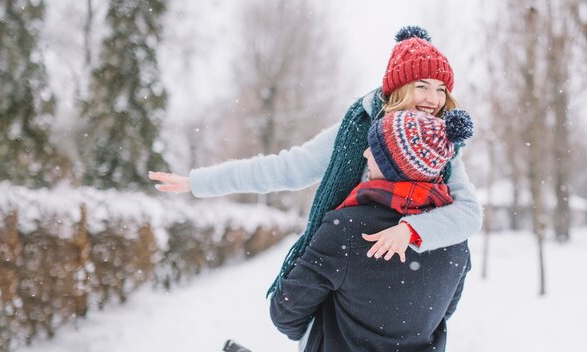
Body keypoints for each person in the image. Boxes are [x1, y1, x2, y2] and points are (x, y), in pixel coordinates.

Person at [148, 25, 481, 295]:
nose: (433, 99)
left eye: (441, 89)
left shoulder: (445, 147)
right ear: (398, 88)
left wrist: (411, 230)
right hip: (347, 270)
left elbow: (468, 214)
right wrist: (198, 182)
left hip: (413, 284)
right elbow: (286, 169)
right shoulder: (357, 129)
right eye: (421, 85)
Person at [269, 107, 473, 351]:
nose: (366, 153)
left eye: (375, 149)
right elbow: (443, 313)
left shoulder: (345, 228)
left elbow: (286, 311)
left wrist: (325, 331)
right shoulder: (455, 238)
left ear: (394, 166)